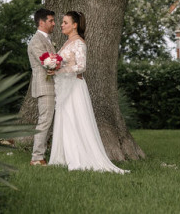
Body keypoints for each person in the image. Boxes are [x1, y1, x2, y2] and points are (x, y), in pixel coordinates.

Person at [49, 11, 127, 173]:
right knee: (65, 119)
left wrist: (60, 71)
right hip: (65, 87)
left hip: (75, 87)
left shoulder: (79, 43)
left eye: (65, 22)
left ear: (74, 25)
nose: (61, 25)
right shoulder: (67, 43)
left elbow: (81, 66)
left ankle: (78, 157)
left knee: (74, 120)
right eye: (62, 22)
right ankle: (62, 156)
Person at [26, 7, 57, 166]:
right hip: (45, 87)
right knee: (44, 121)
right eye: (51, 21)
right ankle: (37, 157)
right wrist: (63, 62)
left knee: (48, 121)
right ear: (41, 22)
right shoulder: (36, 41)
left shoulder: (46, 39)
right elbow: (48, 64)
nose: (54, 24)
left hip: (52, 85)